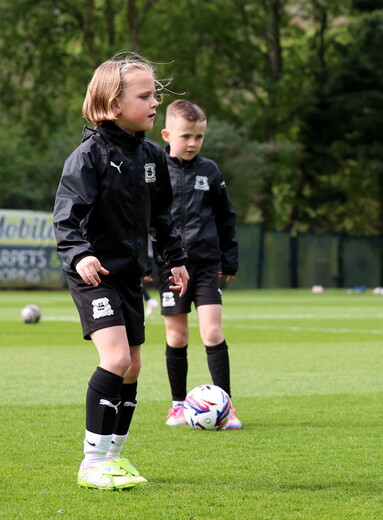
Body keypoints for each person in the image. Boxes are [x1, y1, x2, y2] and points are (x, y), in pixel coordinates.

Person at [54, 53, 189, 490]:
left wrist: (176, 260)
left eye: (156, 95)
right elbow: (66, 219)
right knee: (115, 359)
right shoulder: (88, 156)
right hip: (94, 274)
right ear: (113, 103)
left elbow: (163, 218)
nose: (155, 103)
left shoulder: (152, 155)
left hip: (130, 276)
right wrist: (79, 254)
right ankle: (91, 463)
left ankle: (114, 458)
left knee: (131, 368)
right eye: (145, 95)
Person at [157, 100, 242, 430]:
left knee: (212, 331)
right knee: (177, 337)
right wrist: (148, 262)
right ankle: (178, 406)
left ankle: (227, 407)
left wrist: (229, 258)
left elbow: (226, 216)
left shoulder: (210, 171)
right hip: (170, 267)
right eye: (186, 136)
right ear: (167, 134)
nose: (192, 143)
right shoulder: (155, 168)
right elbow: (148, 220)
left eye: (199, 137)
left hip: (206, 265)